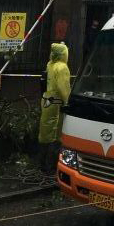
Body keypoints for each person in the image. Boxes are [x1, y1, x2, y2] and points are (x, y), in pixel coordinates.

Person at [38, 42, 71, 173]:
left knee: (44, 132)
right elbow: (63, 88)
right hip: (56, 103)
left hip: (46, 101)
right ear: (63, 54)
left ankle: (41, 164)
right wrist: (68, 102)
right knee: (55, 134)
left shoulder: (50, 64)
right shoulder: (62, 67)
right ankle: (50, 166)